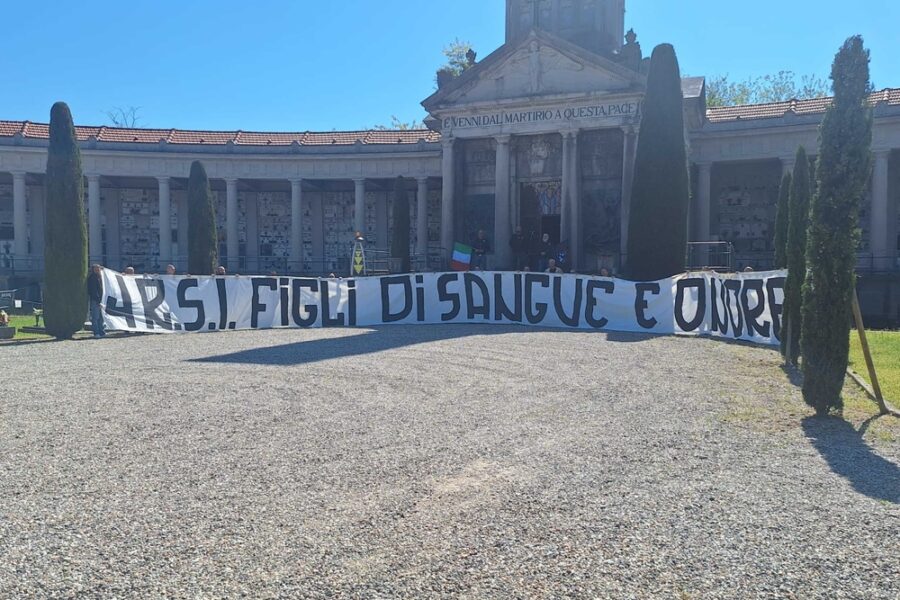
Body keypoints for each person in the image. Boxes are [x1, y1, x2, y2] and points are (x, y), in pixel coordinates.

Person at [87, 264, 106, 339]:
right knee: (95, 317)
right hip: (96, 300)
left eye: (99, 269)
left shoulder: (100, 277)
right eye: (96, 269)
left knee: (101, 317)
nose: (98, 270)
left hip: (101, 300)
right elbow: (93, 291)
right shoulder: (92, 278)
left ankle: (101, 331)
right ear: (93, 270)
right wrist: (98, 300)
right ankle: (96, 332)